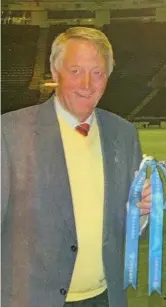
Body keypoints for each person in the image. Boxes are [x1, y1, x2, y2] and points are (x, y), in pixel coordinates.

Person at [1, 27, 151, 307]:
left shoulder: (123, 134)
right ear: (55, 72)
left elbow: (128, 225)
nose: (87, 84)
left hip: (105, 298)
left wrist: (142, 213)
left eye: (97, 72)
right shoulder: (9, 133)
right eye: (75, 71)